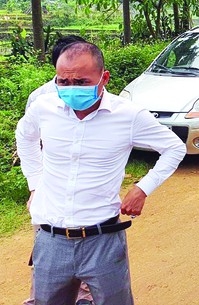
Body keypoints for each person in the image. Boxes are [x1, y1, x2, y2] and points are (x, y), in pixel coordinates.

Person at [16, 41, 187, 305]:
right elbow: (24, 137)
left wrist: (143, 188)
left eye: (82, 82)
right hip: (51, 241)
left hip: (103, 241)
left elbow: (174, 148)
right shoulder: (44, 108)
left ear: (103, 77)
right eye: (63, 82)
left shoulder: (128, 116)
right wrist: (35, 184)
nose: (72, 89)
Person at [23, 35, 95, 305]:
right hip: (51, 193)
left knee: (90, 251)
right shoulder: (40, 99)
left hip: (87, 193)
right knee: (47, 256)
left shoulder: (95, 92)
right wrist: (36, 188)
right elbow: (31, 142)